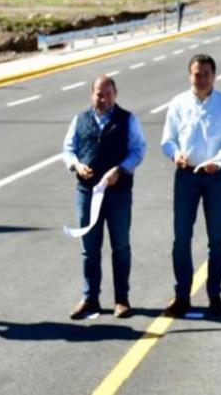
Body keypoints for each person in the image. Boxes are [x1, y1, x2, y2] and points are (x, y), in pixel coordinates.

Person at [162, 54, 221, 318]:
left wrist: (218, 161)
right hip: (186, 176)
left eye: (206, 74)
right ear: (190, 75)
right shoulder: (178, 103)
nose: (202, 78)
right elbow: (168, 140)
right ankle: (182, 294)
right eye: (197, 74)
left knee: (216, 239)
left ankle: (214, 294)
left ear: (214, 75)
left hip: (215, 177)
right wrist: (175, 155)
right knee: (181, 238)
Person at [61, 75, 145, 320]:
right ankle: (90, 298)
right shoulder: (80, 120)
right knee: (89, 249)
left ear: (115, 94)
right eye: (99, 93)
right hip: (87, 194)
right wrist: (76, 165)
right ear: (91, 94)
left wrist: (121, 169)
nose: (103, 98)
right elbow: (68, 149)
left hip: (118, 194)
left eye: (108, 93)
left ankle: (122, 299)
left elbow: (138, 149)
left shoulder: (128, 120)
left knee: (120, 247)